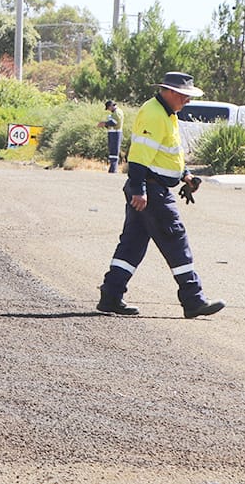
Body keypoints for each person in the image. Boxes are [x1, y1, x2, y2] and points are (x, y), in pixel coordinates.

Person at [97, 72, 224, 318]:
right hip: (152, 191)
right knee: (176, 240)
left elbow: (168, 153)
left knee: (131, 245)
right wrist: (139, 190)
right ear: (170, 92)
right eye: (185, 96)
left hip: (152, 188)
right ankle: (193, 299)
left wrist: (185, 175)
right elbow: (138, 156)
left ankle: (111, 297)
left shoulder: (167, 113)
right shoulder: (155, 114)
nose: (188, 101)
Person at [97, 99, 123, 173]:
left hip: (116, 133)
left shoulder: (117, 112)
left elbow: (114, 122)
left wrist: (104, 123)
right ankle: (112, 168)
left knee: (114, 151)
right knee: (112, 151)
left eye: (108, 108)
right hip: (112, 133)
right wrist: (105, 124)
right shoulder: (114, 113)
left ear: (111, 106)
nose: (108, 110)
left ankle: (113, 169)